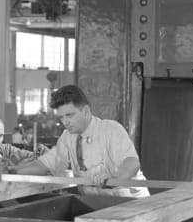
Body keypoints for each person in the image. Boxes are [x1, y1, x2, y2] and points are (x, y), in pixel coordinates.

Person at [10, 84, 149, 198]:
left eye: (69, 115)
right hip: (97, 206)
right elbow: (45, 165)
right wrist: (11, 171)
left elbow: (132, 163)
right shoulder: (68, 137)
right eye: (62, 117)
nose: (65, 122)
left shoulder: (111, 129)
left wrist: (113, 178)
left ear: (86, 111)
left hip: (131, 204)